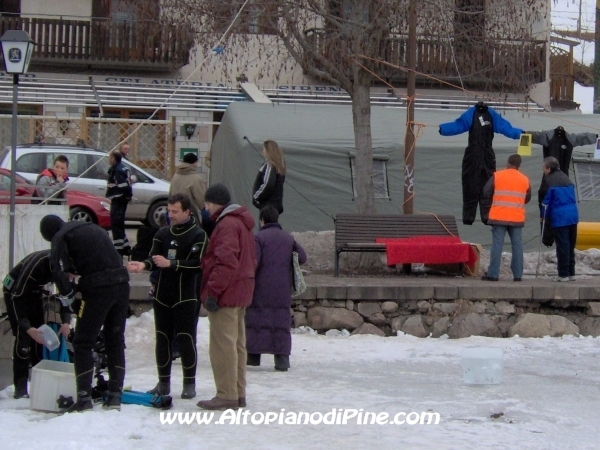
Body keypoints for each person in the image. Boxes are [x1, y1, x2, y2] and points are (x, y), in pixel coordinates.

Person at [39, 215, 130, 412]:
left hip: (98, 289)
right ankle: (115, 396)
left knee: (82, 342)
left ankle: (84, 399)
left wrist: (70, 296)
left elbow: (57, 271)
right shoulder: (91, 227)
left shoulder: (59, 237)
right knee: (114, 339)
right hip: (122, 284)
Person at [127, 194, 208, 399]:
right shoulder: (162, 233)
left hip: (186, 295)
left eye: (175, 211)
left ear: (187, 212)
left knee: (185, 338)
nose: (170, 215)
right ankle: (163, 382)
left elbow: (198, 264)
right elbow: (154, 258)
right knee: (162, 339)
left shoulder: (198, 234)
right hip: (163, 294)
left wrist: (171, 264)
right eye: (168, 210)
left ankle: (189, 382)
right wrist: (143, 265)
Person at [196, 183, 256, 411]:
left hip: (227, 292)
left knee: (223, 345)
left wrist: (212, 291)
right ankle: (238, 392)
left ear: (215, 203)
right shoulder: (242, 222)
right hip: (242, 290)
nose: (205, 208)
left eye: (207, 203)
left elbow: (225, 262)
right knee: (238, 345)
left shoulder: (227, 225)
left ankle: (226, 394)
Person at [439, 102, 523, 225]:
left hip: (487, 154)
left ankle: (486, 216)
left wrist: (521, 134)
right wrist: (442, 129)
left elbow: (505, 127)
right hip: (472, 154)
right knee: (470, 184)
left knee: (488, 185)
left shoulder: (491, 114)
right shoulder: (471, 113)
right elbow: (459, 125)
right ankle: (469, 216)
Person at [2, 250, 71, 399]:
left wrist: (66, 321)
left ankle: (38, 382)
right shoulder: (40, 265)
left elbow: (66, 296)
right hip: (15, 291)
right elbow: (17, 298)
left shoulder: (66, 267)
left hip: (34, 290)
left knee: (39, 334)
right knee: (25, 337)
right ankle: (20, 388)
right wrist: (26, 327)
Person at [246, 205, 307, 371]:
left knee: (256, 320)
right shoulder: (288, 238)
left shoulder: (258, 238)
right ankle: (281, 360)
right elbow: (302, 257)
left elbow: (254, 262)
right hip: (282, 288)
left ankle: (253, 356)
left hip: (260, 287)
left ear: (262, 220)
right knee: (281, 321)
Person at [481, 154, 531, 282]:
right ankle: (518, 275)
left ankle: (493, 274)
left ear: (508, 163)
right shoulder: (524, 179)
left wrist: (487, 211)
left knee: (497, 245)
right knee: (517, 245)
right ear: (519, 165)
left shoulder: (498, 175)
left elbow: (486, 192)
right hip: (517, 217)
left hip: (498, 215)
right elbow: (527, 198)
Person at [539, 157, 579, 282]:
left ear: (549, 169)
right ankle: (571, 272)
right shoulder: (566, 178)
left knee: (562, 245)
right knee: (570, 245)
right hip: (573, 215)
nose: (543, 170)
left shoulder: (549, 181)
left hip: (560, 217)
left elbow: (546, 202)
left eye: (544, 168)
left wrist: (543, 216)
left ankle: (563, 274)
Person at [106, 150, 133, 256]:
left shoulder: (117, 170)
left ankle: (118, 249)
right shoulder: (121, 168)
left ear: (113, 159)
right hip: (120, 198)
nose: (108, 159)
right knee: (119, 223)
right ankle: (125, 246)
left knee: (116, 223)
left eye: (109, 157)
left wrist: (127, 196)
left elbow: (123, 186)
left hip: (119, 199)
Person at [169, 152, 207, 223]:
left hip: (175, 213)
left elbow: (170, 194)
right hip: (190, 214)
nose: (197, 165)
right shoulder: (195, 178)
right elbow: (201, 199)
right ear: (192, 163)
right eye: (196, 163)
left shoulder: (175, 176)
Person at [252, 140, 286, 214]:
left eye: (264, 149)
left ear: (268, 150)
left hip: (267, 206)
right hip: (274, 206)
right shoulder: (280, 166)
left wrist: (256, 197)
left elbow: (268, 183)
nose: (262, 151)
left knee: (265, 225)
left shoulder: (270, 165)